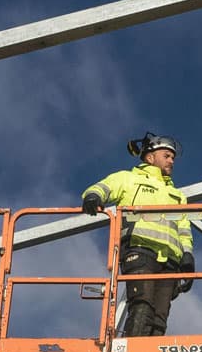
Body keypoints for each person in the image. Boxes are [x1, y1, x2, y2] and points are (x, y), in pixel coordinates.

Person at [81, 132, 194, 338]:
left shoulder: (177, 195)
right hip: (139, 250)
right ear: (150, 157)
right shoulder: (129, 178)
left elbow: (183, 228)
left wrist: (187, 255)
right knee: (142, 305)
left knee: (160, 317)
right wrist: (93, 196)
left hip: (170, 260)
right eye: (166, 156)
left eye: (173, 158)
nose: (171, 161)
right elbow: (104, 187)